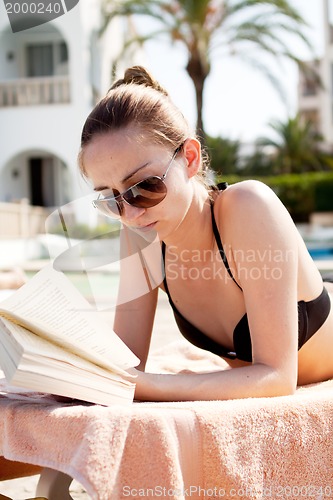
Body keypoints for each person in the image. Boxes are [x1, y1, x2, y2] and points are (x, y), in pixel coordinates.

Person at [78, 65, 333, 402]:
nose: (132, 213)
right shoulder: (140, 236)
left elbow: (278, 377)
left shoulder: (248, 208)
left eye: (144, 186)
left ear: (190, 158)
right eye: (112, 199)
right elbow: (126, 365)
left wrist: (145, 385)